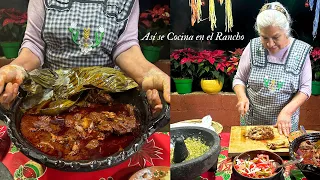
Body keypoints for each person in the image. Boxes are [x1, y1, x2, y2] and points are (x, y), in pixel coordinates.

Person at [0, 0, 170, 111]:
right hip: (53, 96)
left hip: (106, 98)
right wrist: (17, 67)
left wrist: (147, 73)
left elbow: (125, 46)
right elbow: (34, 44)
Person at [233, 2, 312, 136]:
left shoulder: (301, 51)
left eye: (276, 37)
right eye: (264, 38)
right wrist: (242, 97)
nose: (270, 44)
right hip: (252, 123)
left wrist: (287, 111)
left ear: (286, 31)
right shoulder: (253, 47)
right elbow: (239, 79)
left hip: (284, 125)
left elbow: (305, 88)